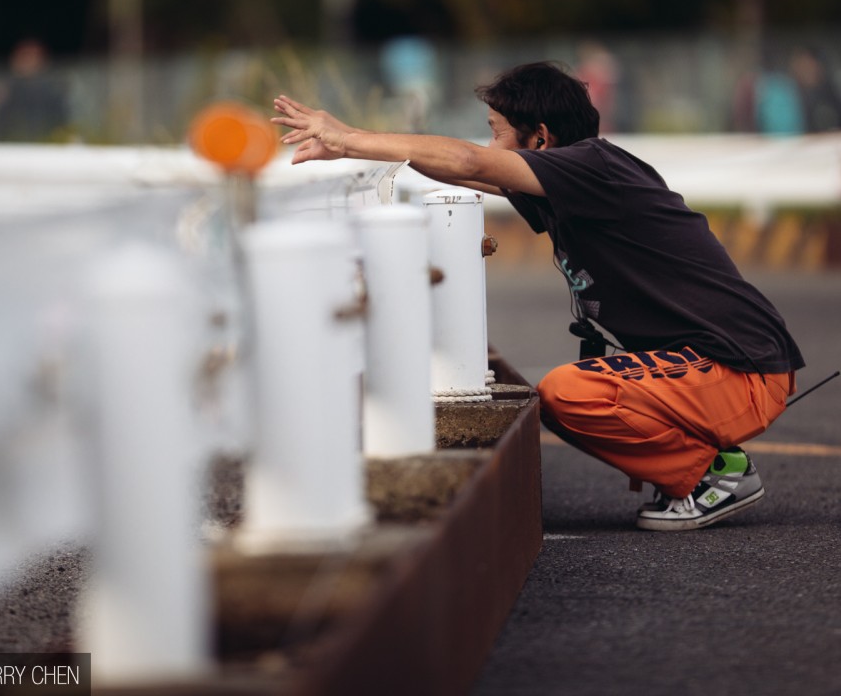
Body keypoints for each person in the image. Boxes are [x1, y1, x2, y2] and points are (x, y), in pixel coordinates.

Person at [272, 61, 805, 532]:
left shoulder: (593, 168)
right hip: (721, 363)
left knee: (571, 392)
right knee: (573, 392)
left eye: (498, 134)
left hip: (739, 368)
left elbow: (469, 165)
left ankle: (716, 474)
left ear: (541, 139)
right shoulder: (575, 177)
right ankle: (706, 465)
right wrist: (353, 154)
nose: (489, 148)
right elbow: (463, 167)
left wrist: (350, 138)